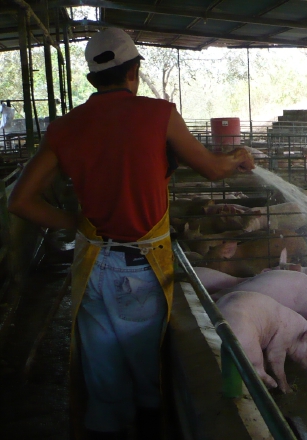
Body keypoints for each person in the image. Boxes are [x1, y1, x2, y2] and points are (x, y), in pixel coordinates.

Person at [8, 28, 254, 440]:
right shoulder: (158, 114)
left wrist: (77, 224)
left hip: (89, 266)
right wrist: (237, 158)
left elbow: (19, 201)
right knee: (147, 373)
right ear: (134, 71)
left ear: (91, 80)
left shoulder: (65, 128)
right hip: (140, 267)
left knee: (102, 375)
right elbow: (212, 169)